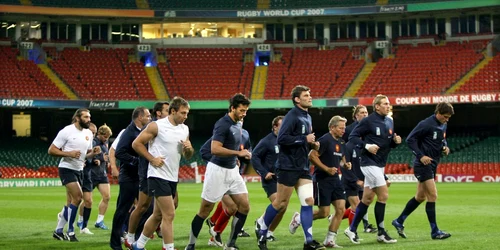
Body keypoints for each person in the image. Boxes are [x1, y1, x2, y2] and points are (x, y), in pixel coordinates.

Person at [257, 85, 325, 250]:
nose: (310, 97)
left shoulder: (307, 117)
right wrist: (304, 139)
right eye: (306, 95)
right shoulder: (292, 115)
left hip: (302, 167)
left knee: (308, 201)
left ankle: (308, 242)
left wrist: (312, 145)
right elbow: (282, 139)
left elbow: (302, 140)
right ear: (297, 99)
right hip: (287, 166)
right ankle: (262, 230)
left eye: (310, 94)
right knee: (280, 203)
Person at [185, 93, 252, 250]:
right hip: (217, 171)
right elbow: (214, 149)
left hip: (232, 171)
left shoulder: (238, 123)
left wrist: (241, 155)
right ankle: (190, 245)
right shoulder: (223, 124)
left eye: (246, 111)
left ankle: (231, 244)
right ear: (232, 108)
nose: (244, 114)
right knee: (205, 210)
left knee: (244, 206)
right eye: (241, 110)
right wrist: (237, 154)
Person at [131, 97, 193, 250]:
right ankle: (169, 247)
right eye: (183, 113)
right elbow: (136, 144)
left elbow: (188, 156)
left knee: (158, 215)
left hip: (172, 176)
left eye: (187, 113)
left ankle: (138, 245)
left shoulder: (184, 129)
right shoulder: (156, 126)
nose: (186, 117)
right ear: (173, 111)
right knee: (169, 214)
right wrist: (152, 159)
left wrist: (189, 148)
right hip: (157, 175)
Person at [344, 94, 401, 244]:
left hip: (380, 164)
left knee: (367, 198)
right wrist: (366, 146)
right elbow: (353, 137)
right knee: (383, 196)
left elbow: (388, 143)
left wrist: (395, 142)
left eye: (388, 103)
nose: (388, 106)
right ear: (376, 106)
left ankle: (351, 229)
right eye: (384, 104)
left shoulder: (389, 121)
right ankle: (381, 232)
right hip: (369, 163)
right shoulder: (367, 121)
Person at [392, 102, 454, 240]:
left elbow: (442, 139)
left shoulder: (443, 124)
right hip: (423, 165)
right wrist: (421, 156)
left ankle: (399, 221)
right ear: (437, 112)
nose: (447, 119)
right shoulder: (426, 124)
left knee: (420, 197)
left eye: (448, 117)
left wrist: (445, 147)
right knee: (433, 196)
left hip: (433, 163)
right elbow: (410, 139)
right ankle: (435, 231)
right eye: (445, 116)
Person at [49, 108, 100, 242]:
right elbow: (51, 150)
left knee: (71, 201)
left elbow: (85, 155)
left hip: (79, 169)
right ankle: (70, 231)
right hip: (66, 168)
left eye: (89, 117)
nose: (89, 120)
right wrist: (68, 154)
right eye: (86, 117)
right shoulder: (67, 131)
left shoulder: (88, 133)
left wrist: (93, 153)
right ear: (77, 118)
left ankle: (58, 231)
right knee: (78, 197)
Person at [124, 101, 170, 248]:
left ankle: (152, 240)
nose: (171, 113)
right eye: (168, 111)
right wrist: (152, 159)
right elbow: (137, 145)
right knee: (143, 206)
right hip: (148, 171)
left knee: (169, 206)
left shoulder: (170, 127)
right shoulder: (151, 127)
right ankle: (130, 237)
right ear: (159, 113)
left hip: (165, 173)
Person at [202, 120, 252, 247]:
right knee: (232, 207)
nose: (241, 118)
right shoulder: (223, 132)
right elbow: (204, 151)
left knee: (236, 208)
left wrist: (245, 158)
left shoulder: (245, 134)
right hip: (220, 175)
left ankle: (214, 229)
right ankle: (215, 230)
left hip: (234, 175)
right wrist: (220, 162)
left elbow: (246, 153)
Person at [110, 107, 151, 250]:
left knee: (147, 208)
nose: (150, 118)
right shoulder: (129, 132)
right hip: (129, 177)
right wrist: (136, 161)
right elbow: (119, 152)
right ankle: (115, 244)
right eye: (147, 116)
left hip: (139, 176)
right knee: (123, 209)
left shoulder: (142, 131)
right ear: (140, 117)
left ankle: (134, 240)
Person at [308, 116, 351, 248]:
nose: (343, 130)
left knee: (340, 209)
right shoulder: (325, 140)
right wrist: (326, 169)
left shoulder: (342, 143)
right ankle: (299, 218)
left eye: (344, 128)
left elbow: (340, 160)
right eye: (340, 128)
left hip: (336, 180)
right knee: (324, 212)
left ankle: (330, 239)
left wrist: (345, 165)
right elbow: (312, 155)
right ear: (332, 128)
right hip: (322, 179)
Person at [339, 105, 377, 233]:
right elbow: (341, 147)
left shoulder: (370, 127)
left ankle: (335, 217)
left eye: (366, 112)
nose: (365, 115)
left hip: (363, 165)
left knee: (358, 200)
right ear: (355, 115)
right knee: (358, 201)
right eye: (362, 113)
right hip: (351, 167)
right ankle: (363, 225)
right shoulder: (348, 130)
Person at [253, 116, 285, 242]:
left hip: (282, 178)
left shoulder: (285, 140)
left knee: (283, 207)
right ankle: (261, 223)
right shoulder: (267, 141)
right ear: (275, 127)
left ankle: (268, 231)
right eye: (282, 125)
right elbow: (254, 156)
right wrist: (263, 172)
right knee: (278, 203)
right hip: (270, 178)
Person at [77, 124, 113, 234]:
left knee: (107, 197)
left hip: (101, 174)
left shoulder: (105, 143)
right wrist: (97, 160)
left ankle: (99, 221)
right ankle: (80, 220)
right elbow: (89, 155)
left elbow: (105, 156)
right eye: (105, 136)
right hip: (91, 174)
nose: (106, 139)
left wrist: (106, 161)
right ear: (99, 134)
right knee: (87, 200)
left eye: (107, 137)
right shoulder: (93, 142)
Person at [77, 123, 97, 234]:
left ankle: (84, 227)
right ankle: (62, 216)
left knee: (88, 201)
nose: (93, 134)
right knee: (73, 201)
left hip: (87, 174)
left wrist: (95, 159)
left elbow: (89, 157)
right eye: (91, 132)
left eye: (94, 133)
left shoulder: (93, 144)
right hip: (76, 172)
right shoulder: (79, 141)